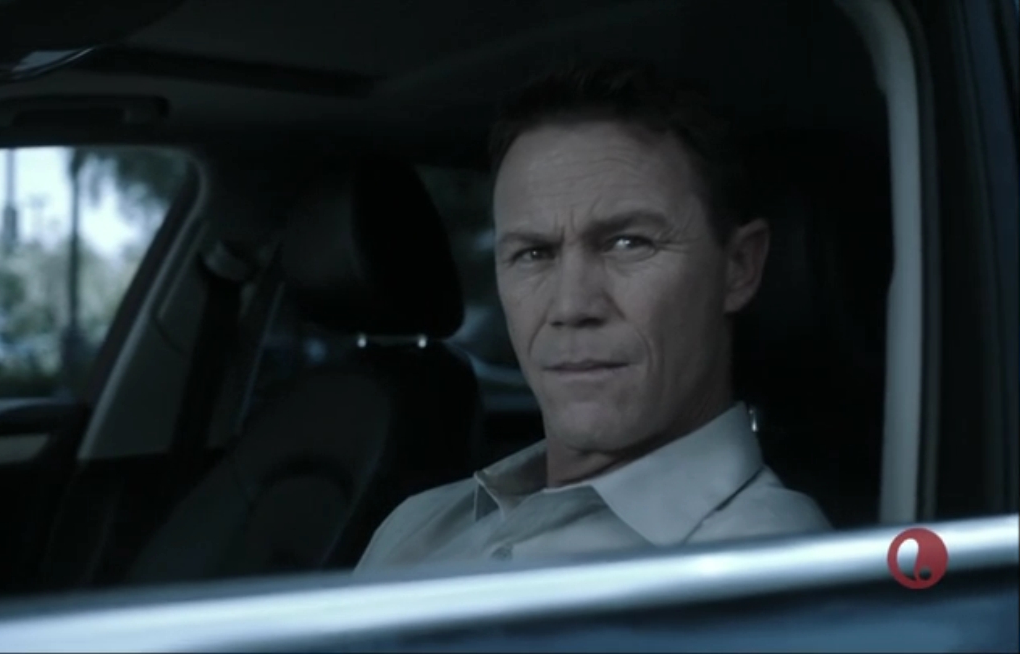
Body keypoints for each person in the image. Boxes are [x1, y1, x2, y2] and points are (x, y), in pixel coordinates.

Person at [354, 60, 831, 571]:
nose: (571, 307)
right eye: (533, 253)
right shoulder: (416, 523)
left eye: (628, 243)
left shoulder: (770, 568)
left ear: (739, 268)